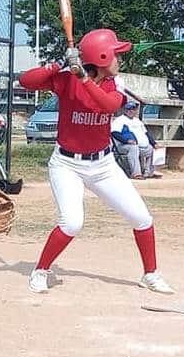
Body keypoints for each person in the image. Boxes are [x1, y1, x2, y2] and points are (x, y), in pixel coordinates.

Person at [19, 28, 174, 295]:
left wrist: (84, 79)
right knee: (72, 223)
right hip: (67, 165)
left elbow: (109, 106)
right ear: (101, 57)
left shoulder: (116, 84)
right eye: (114, 54)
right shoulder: (67, 79)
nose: (119, 60)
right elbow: (26, 81)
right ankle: (41, 270)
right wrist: (60, 64)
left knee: (142, 218)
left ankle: (150, 274)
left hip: (103, 165)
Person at [111, 101, 162, 179]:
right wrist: (127, 141)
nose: (131, 111)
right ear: (125, 110)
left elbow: (146, 134)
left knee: (152, 149)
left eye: (133, 109)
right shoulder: (120, 120)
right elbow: (115, 133)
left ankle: (149, 173)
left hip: (140, 146)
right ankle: (136, 174)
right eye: (129, 109)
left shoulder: (137, 121)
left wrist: (154, 143)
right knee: (133, 148)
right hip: (123, 146)